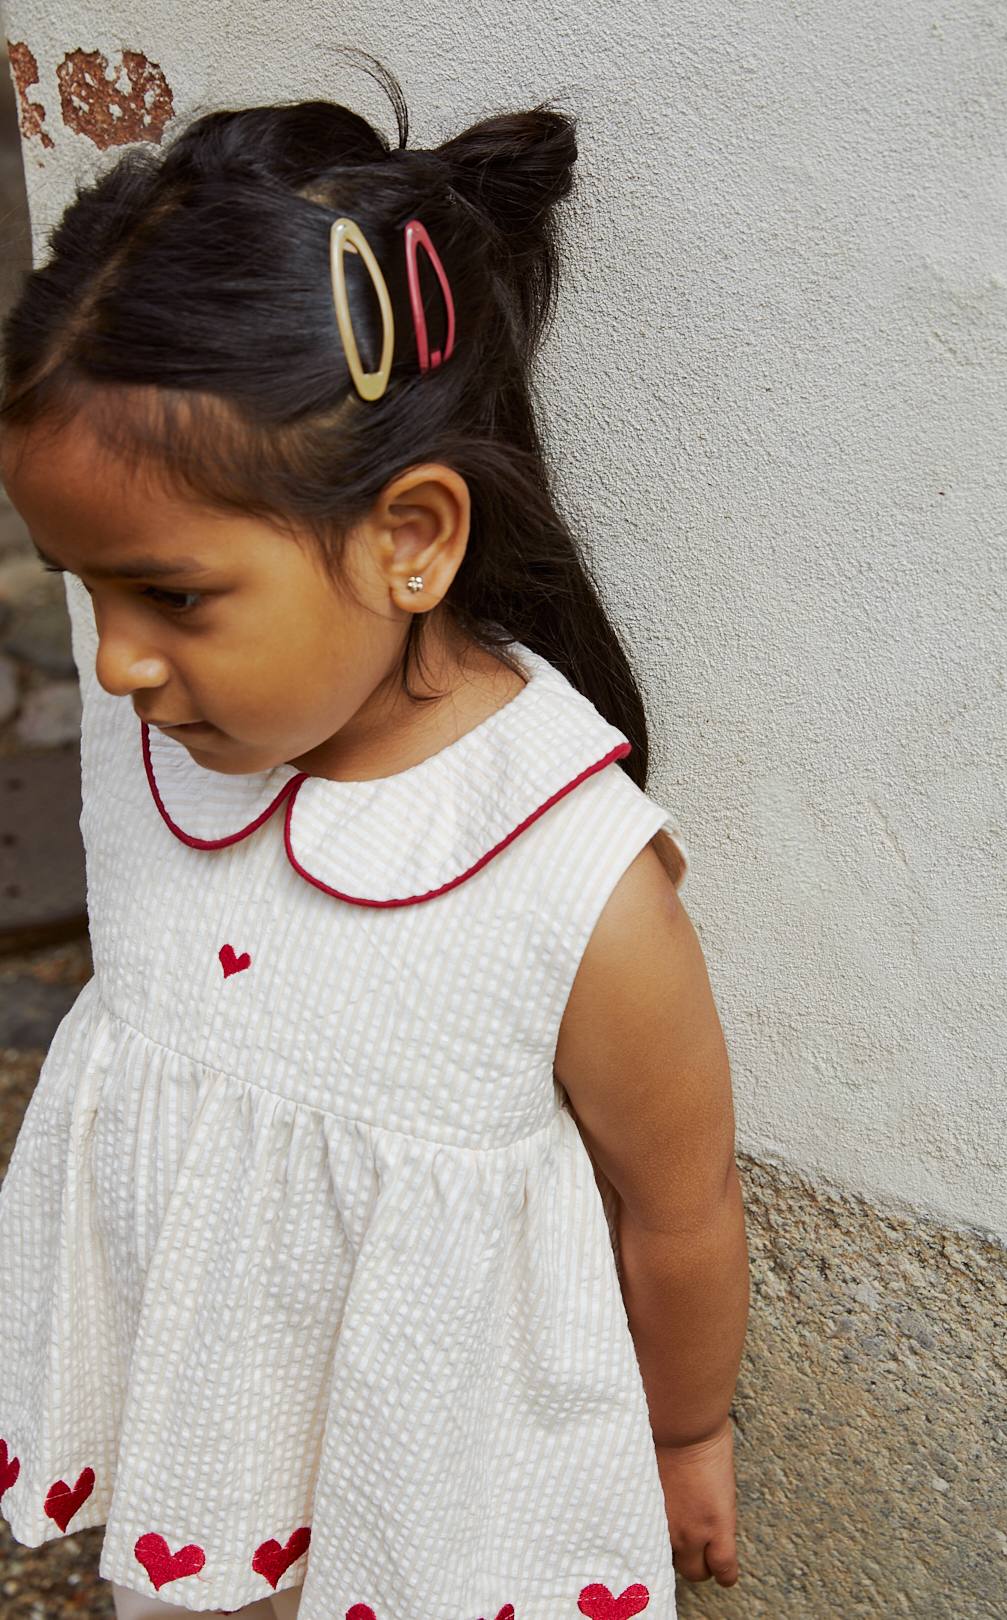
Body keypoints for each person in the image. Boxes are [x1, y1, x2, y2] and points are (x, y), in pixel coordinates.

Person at [0, 51, 748, 1620]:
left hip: (434, 1502)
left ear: (410, 538)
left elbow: (676, 1210)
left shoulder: (567, 872)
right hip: (200, 1454)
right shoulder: (159, 736)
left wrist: (684, 1433)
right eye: (87, 589)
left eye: (174, 596)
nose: (117, 663)